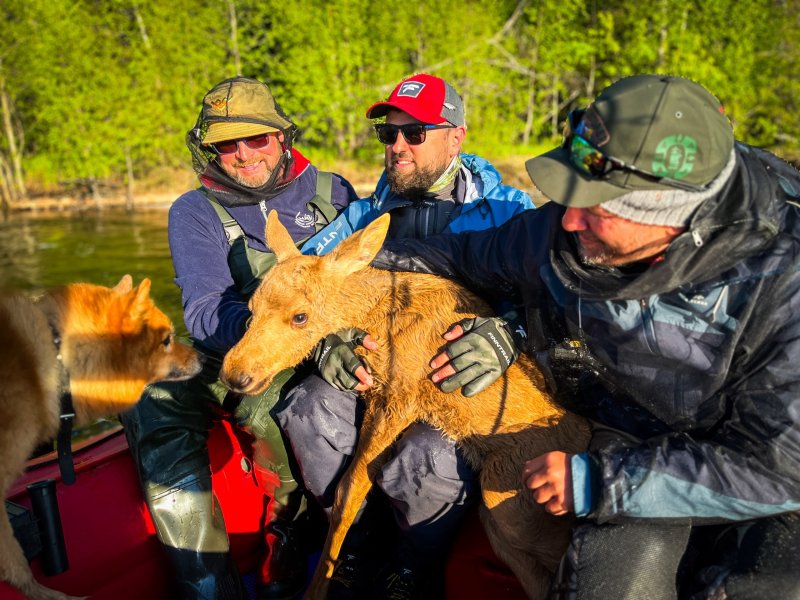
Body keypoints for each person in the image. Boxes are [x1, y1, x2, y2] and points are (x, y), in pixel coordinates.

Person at [372, 74, 800, 599]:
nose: (568, 220)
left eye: (596, 208)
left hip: (752, 475)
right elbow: (457, 256)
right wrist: (331, 283)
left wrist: (599, 482)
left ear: (670, 217)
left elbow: (778, 467)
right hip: (615, 433)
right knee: (611, 582)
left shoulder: (782, 280)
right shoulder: (562, 233)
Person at [274, 73, 534, 598]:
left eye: (415, 134)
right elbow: (303, 279)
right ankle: (354, 550)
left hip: (453, 388)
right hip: (377, 375)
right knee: (305, 407)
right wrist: (327, 339)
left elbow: (550, 299)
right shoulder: (363, 216)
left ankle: (414, 568)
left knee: (423, 457)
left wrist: (512, 332)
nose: (397, 147)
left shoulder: (510, 213)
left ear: (456, 137)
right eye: (387, 134)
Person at [120, 76, 358, 600]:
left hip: (333, 351)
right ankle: (207, 585)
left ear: (282, 138)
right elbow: (205, 312)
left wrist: (323, 341)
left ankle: (290, 540)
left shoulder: (336, 193)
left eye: (257, 139)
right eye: (227, 144)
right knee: (150, 392)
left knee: (271, 407)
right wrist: (278, 338)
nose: (244, 154)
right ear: (210, 149)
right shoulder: (194, 211)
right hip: (236, 346)